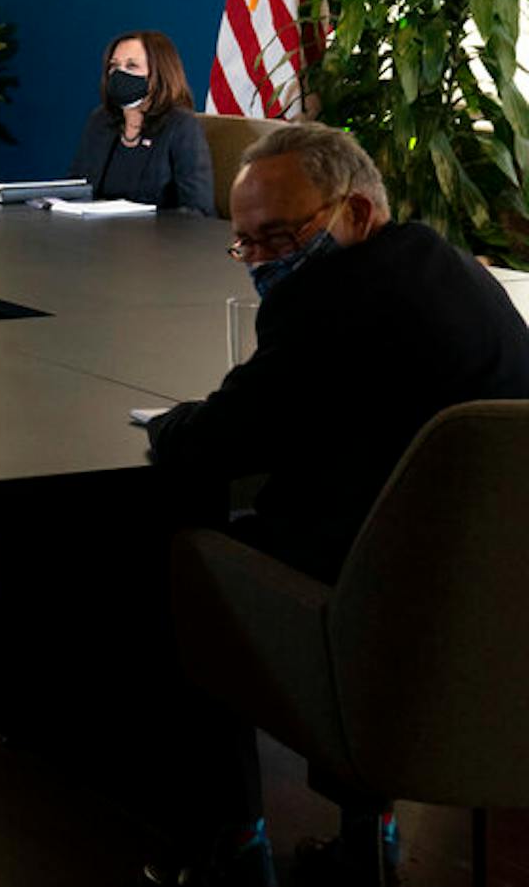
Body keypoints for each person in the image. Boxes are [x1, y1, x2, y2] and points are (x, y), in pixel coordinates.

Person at [141, 124, 529, 886]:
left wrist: (169, 420)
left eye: (281, 235)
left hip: (380, 615)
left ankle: (228, 842)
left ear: (355, 212)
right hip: (497, 607)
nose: (264, 261)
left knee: (188, 550)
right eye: (246, 244)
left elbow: (212, 442)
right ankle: (366, 829)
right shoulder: (445, 266)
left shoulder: (328, 302)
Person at [69, 30, 213, 214]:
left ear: (159, 73)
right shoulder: (101, 120)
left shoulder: (181, 125)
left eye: (132, 66)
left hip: (158, 239)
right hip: (98, 236)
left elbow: (198, 210)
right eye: (114, 66)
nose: (119, 75)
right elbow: (77, 189)